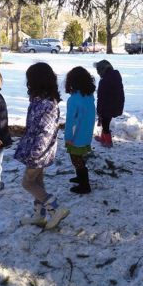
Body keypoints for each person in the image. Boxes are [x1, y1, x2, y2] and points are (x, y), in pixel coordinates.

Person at [14, 63, 70, 229]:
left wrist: (36, 152)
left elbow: (45, 132)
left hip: (38, 151)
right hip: (40, 151)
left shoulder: (46, 104)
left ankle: (56, 208)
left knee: (27, 183)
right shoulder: (41, 101)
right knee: (38, 183)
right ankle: (39, 215)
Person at [64, 66, 96, 194]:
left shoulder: (73, 100)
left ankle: (85, 185)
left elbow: (70, 121)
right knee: (79, 157)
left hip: (76, 136)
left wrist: (68, 137)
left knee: (76, 158)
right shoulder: (89, 97)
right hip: (86, 133)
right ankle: (80, 177)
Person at [93, 59, 125, 147]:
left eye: (98, 70)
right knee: (106, 122)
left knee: (105, 124)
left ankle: (108, 142)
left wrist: (99, 110)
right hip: (116, 104)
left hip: (107, 107)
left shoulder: (104, 81)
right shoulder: (116, 75)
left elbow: (101, 97)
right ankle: (103, 138)